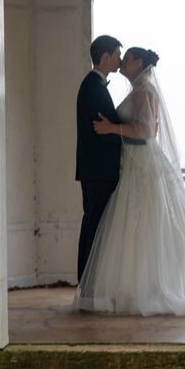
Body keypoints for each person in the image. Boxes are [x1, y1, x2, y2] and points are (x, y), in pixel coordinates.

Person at [74, 47, 185, 316]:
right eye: (120, 56)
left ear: (139, 64)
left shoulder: (144, 90)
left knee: (147, 222)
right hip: (133, 163)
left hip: (142, 162)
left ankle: (152, 286)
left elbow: (146, 131)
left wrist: (112, 128)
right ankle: (133, 285)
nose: (122, 61)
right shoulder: (138, 89)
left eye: (127, 58)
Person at [75, 35, 124, 282]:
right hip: (98, 170)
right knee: (94, 224)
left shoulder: (94, 84)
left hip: (97, 169)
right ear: (105, 57)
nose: (120, 60)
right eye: (117, 55)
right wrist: (130, 135)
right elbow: (102, 131)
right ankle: (87, 281)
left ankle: (90, 281)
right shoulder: (93, 87)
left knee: (95, 223)